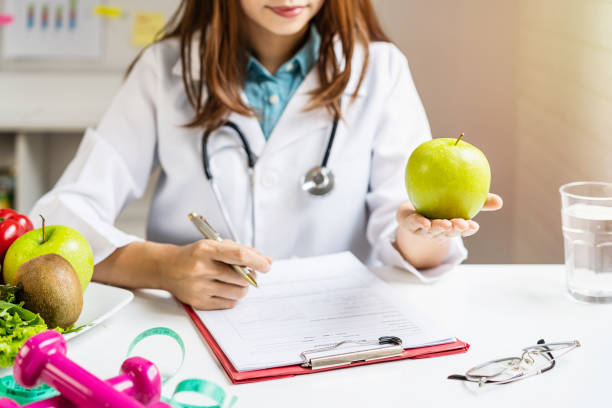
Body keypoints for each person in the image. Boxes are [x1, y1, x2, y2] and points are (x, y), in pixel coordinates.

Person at [31, 0, 502, 310]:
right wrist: (165, 267)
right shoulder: (166, 70)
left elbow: (402, 239)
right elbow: (58, 218)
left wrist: (424, 230)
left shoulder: (380, 71)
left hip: (335, 337)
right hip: (193, 331)